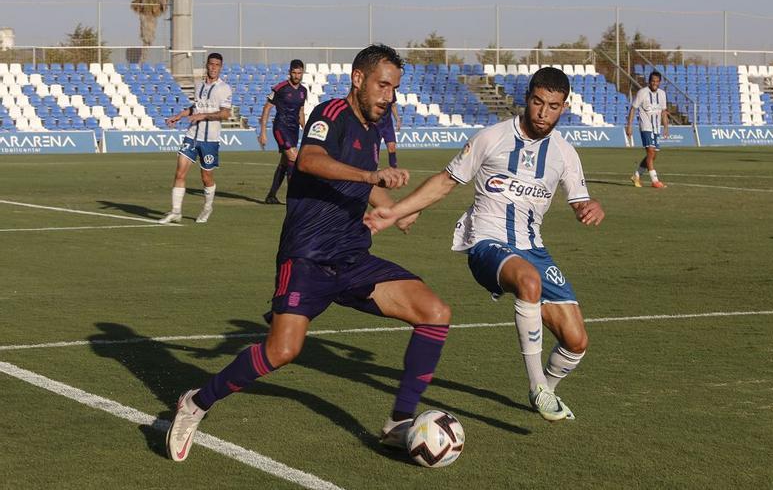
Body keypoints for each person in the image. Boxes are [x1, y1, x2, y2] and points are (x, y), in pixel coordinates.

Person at [166, 44, 450, 462]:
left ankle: (398, 423)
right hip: (307, 256)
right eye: (383, 85)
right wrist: (373, 175)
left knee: (435, 312)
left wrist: (390, 209)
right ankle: (195, 403)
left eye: (395, 88)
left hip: (352, 255)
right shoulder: (330, 113)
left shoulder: (376, 124)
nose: (389, 96)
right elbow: (312, 162)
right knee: (282, 351)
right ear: (359, 79)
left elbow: (359, 182)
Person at [365, 67, 605, 422]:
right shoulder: (491, 138)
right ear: (527, 99)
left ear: (564, 107)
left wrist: (590, 206)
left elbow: (579, 201)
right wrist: (395, 211)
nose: (543, 112)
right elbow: (446, 182)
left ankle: (546, 391)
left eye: (553, 106)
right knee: (528, 281)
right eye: (538, 102)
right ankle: (538, 385)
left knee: (576, 341)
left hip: (533, 249)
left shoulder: (565, 153)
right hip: (486, 243)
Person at [159, 53, 232, 224]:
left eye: (217, 65)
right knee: (179, 172)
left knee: (206, 177)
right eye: (211, 64)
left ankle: (207, 207)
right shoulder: (198, 85)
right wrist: (179, 115)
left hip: (210, 140)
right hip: (191, 135)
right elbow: (195, 107)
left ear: (221, 67)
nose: (213, 67)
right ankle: (176, 211)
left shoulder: (224, 88)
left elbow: (225, 113)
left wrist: (203, 116)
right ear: (206, 65)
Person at [259, 59, 308, 204]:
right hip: (281, 127)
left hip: (294, 130)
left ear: (302, 73)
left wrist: (306, 130)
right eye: (294, 72)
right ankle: (293, 197)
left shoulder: (303, 91)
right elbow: (267, 108)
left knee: (285, 163)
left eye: (299, 73)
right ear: (289, 72)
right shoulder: (280, 88)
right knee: (294, 157)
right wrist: (263, 132)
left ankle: (271, 196)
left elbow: (301, 111)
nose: (297, 75)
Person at [625, 70, 669, 188]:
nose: (655, 83)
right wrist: (629, 126)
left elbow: (664, 111)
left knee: (653, 155)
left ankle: (637, 175)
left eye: (657, 81)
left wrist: (665, 127)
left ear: (660, 82)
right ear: (649, 81)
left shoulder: (662, 94)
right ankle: (655, 181)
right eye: (653, 81)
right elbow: (633, 108)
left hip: (656, 128)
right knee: (650, 152)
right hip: (646, 126)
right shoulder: (642, 93)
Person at [376, 90, 401, 167]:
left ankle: (393, 170)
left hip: (387, 124)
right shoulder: (375, 88)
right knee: (375, 149)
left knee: (392, 147)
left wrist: (397, 119)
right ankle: (372, 168)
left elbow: (393, 105)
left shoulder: (391, 90)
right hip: (376, 124)